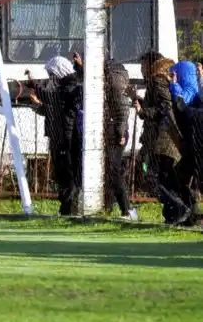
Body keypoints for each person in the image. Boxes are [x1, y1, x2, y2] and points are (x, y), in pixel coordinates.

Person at [71, 53, 136, 220]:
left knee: (113, 170)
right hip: (107, 129)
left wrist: (120, 131)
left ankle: (127, 210)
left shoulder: (114, 81)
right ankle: (108, 207)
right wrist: (82, 66)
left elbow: (121, 109)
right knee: (106, 170)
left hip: (115, 131)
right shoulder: (105, 79)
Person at [133, 52, 190, 225]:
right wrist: (141, 102)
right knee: (168, 176)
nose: (142, 69)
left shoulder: (156, 80)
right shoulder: (163, 79)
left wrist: (143, 111)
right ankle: (174, 214)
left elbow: (164, 108)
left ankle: (178, 208)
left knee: (154, 174)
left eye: (143, 65)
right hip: (168, 136)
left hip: (162, 137)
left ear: (151, 64)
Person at [27, 56, 82, 216]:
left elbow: (52, 98)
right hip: (59, 135)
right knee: (62, 173)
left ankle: (68, 209)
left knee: (68, 174)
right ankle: (66, 207)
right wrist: (38, 104)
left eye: (52, 73)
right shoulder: (65, 86)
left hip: (66, 137)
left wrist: (34, 84)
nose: (51, 77)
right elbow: (54, 106)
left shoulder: (72, 86)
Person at [167, 59, 203, 225]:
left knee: (191, 178)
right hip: (192, 144)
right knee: (183, 178)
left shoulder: (193, 97)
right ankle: (192, 215)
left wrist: (174, 85)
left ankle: (191, 214)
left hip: (196, 144)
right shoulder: (195, 93)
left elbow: (182, 105)